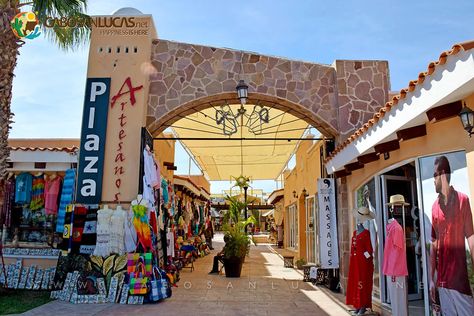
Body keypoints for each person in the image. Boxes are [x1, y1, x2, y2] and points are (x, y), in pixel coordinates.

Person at [430, 155, 474, 315]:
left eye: (434, 175)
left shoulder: (463, 200)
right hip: (442, 283)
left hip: (460, 283)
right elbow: (433, 246)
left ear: (442, 174)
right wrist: (431, 280)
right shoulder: (434, 207)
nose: (433, 180)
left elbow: (471, 238)